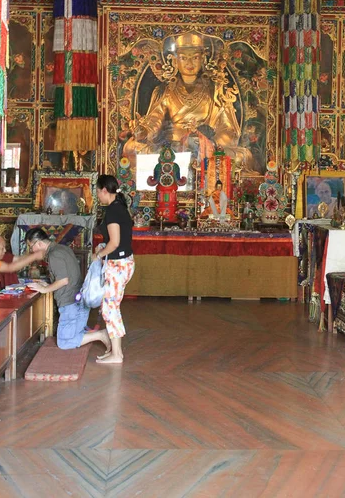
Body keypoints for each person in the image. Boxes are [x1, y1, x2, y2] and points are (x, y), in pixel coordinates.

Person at [122, 32, 249, 165]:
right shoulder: (165, 91)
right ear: (175, 60)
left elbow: (228, 129)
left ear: (203, 59)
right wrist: (142, 131)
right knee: (131, 148)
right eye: (183, 58)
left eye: (195, 58)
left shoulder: (215, 90)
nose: (189, 63)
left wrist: (210, 143)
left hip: (206, 149)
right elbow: (154, 122)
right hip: (172, 148)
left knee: (244, 156)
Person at [25, 228, 111, 353]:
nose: (31, 250)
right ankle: (94, 334)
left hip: (70, 304)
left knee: (63, 343)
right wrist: (48, 283)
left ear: (39, 243)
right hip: (80, 300)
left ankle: (100, 335)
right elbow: (67, 276)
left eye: (31, 246)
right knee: (75, 334)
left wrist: (44, 289)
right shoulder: (63, 248)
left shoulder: (54, 255)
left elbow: (63, 281)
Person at [91, 174, 135, 364]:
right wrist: (103, 247)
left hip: (118, 265)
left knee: (110, 308)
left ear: (103, 190)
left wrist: (98, 255)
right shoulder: (118, 207)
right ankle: (115, 351)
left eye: (97, 191)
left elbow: (115, 242)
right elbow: (116, 240)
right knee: (111, 307)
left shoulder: (113, 211)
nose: (97, 195)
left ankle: (117, 354)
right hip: (123, 262)